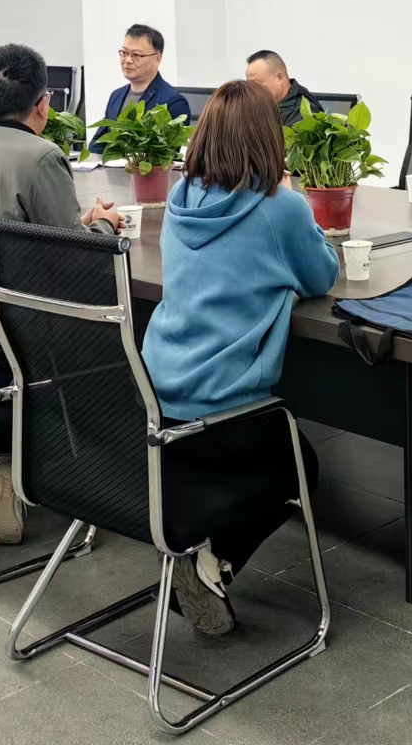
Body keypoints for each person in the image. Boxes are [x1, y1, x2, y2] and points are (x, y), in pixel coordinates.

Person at [140, 80, 339, 635]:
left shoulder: (180, 199)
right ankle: (214, 560)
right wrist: (294, 201)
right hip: (225, 411)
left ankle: (201, 552)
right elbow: (321, 275)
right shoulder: (280, 207)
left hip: (156, 396)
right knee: (300, 465)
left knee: (259, 457)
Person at [0, 43, 123, 543]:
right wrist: (103, 227)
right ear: (44, 104)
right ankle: (18, 465)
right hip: (7, 352)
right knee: (120, 341)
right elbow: (76, 262)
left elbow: (17, 235)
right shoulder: (41, 155)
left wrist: (72, 226)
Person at [89, 24, 191, 152]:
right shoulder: (116, 96)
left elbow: (166, 155)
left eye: (136, 55)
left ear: (157, 59)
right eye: (124, 53)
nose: (128, 60)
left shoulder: (173, 102)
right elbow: (97, 144)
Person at [245, 50, 323, 126]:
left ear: (280, 78)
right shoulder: (256, 107)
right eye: (250, 85)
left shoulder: (305, 115)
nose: (252, 90)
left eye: (257, 84)